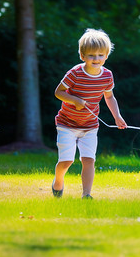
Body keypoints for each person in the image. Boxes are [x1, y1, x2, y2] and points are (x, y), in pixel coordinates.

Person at [52, 28, 127, 199]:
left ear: (106, 56)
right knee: (67, 161)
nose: (96, 59)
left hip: (90, 126)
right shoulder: (75, 73)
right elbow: (58, 92)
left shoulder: (107, 75)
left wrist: (117, 116)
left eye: (100, 55)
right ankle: (58, 181)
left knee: (89, 160)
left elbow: (109, 97)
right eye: (92, 55)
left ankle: (86, 194)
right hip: (67, 124)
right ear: (82, 56)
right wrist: (75, 100)